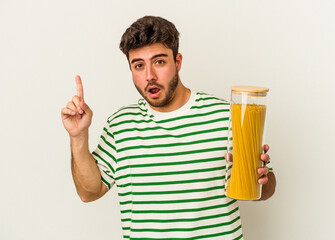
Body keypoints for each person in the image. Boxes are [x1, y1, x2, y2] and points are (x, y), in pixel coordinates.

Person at [61, 16, 276, 239]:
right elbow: (89, 193)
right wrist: (78, 136)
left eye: (159, 62)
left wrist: (263, 179)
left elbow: (264, 189)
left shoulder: (226, 117)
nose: (149, 76)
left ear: (178, 61)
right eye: (139, 65)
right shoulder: (121, 126)